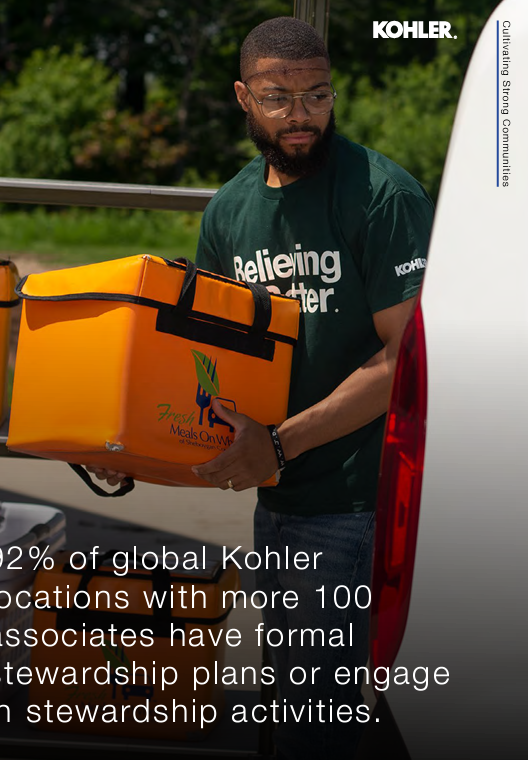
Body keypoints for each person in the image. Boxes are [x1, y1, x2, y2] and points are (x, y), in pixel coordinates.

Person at [187, 16, 434, 760]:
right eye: (277, 97)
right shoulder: (229, 211)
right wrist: (126, 448)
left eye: (317, 95)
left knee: (307, 715)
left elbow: (409, 361)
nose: (300, 115)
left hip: (359, 499)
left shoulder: (381, 195)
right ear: (242, 97)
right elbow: (205, 358)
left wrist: (281, 446)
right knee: (302, 707)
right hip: (279, 501)